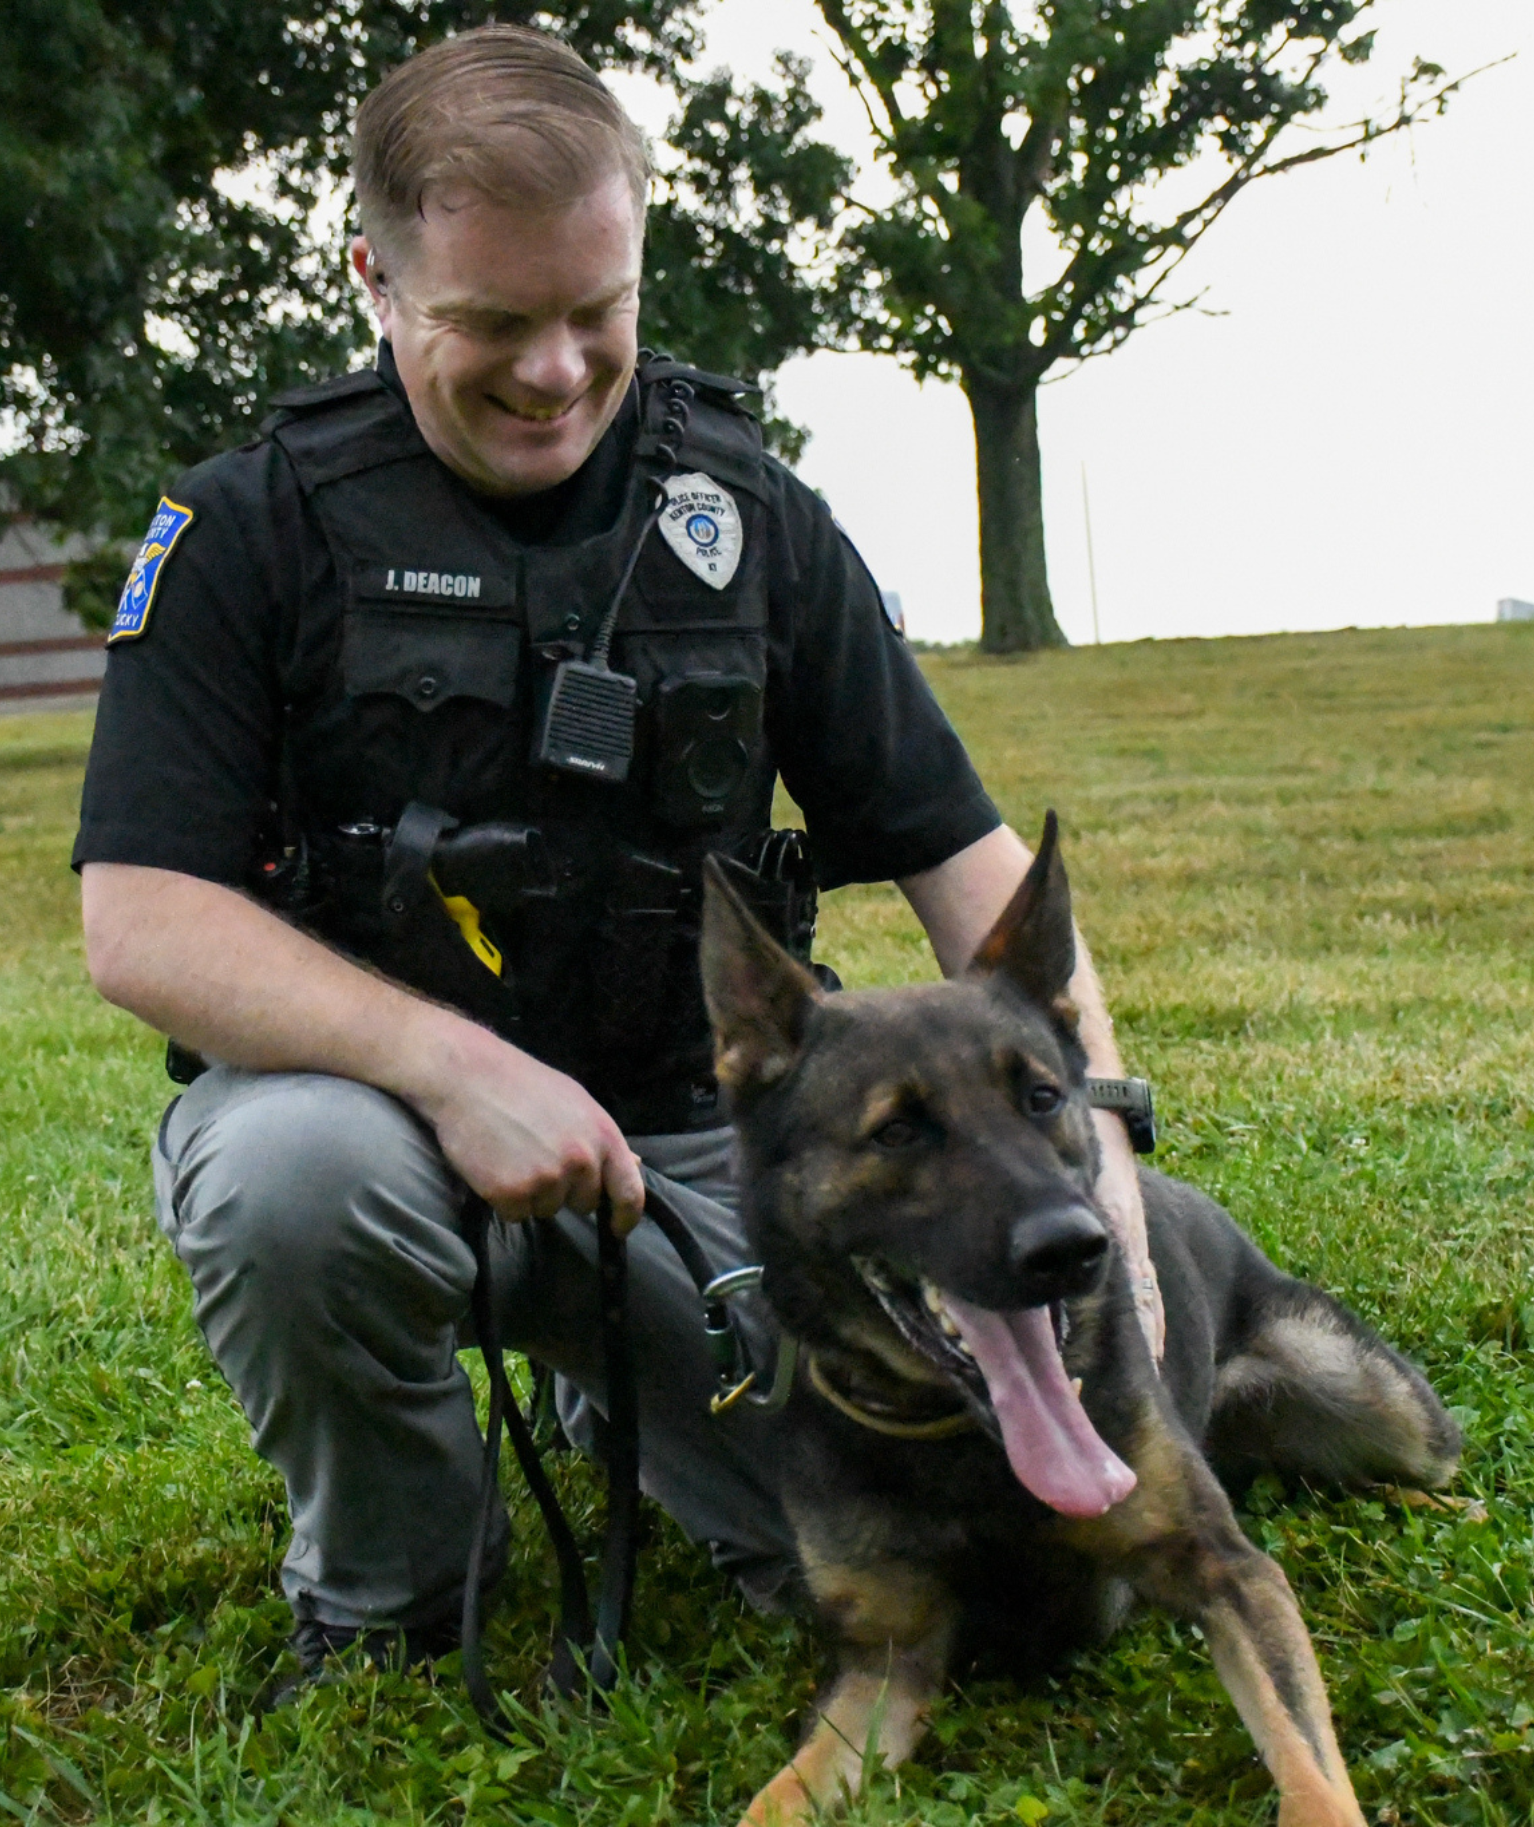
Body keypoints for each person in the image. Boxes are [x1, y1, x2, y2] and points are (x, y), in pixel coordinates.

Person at [74, 24, 1162, 1687]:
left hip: (697, 1162)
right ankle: (390, 1592)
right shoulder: (251, 526)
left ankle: (645, 1386)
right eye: (491, 324)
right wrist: (452, 1070)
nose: (559, 372)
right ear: (374, 275)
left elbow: (983, 890)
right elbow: (141, 922)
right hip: (382, 1141)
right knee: (291, 1180)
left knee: (983, 1576)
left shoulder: (751, 520)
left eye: (601, 313)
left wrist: (1107, 1176)